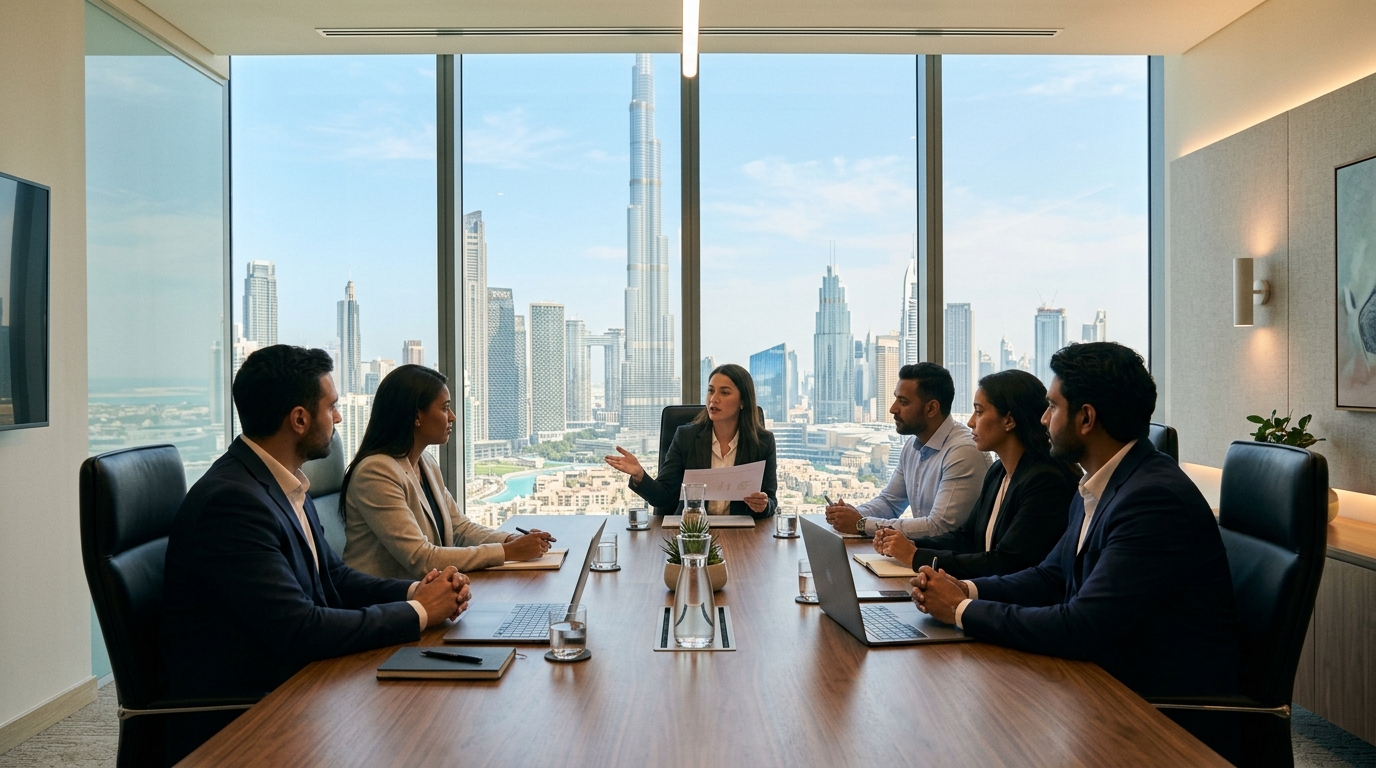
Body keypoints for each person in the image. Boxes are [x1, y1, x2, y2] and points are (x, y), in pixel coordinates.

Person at [910, 342, 1239, 757]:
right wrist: (966, 589)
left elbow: (1083, 626)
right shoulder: (1101, 483)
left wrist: (960, 611)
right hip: (1100, 677)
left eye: (1052, 406)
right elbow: (1051, 575)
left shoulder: (1152, 499)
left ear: (1086, 418)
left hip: (1151, 713)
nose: (1043, 419)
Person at [160, 346, 471, 762]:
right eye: (332, 407)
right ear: (300, 419)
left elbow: (335, 579)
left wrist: (417, 591)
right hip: (256, 709)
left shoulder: (283, 482)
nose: (339, 419)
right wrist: (419, 613)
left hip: (303, 678)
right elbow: (299, 630)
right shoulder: (233, 502)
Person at [342, 364, 553, 578]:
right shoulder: (376, 472)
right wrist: (508, 552)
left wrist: (510, 540)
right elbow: (422, 558)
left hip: (424, 595)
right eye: (444, 408)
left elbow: (459, 529)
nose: (452, 417)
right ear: (416, 415)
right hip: (384, 604)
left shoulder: (426, 462)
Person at [873, 369, 1077, 579]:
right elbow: (966, 538)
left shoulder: (1045, 481)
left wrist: (917, 556)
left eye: (979, 412)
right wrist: (906, 544)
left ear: (1009, 421)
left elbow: (1006, 562)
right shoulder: (999, 471)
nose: (970, 422)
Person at [824, 363, 988, 538]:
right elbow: (890, 503)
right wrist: (849, 515)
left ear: (931, 408)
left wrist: (861, 524)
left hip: (950, 562)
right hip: (924, 556)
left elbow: (939, 527)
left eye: (903, 402)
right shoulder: (912, 445)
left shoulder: (963, 452)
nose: (893, 409)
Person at [605, 363, 776, 518]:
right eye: (710, 390)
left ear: (743, 401)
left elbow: (771, 501)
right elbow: (662, 496)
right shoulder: (686, 437)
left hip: (743, 533)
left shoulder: (762, 442)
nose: (713, 399)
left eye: (724, 392)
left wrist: (764, 505)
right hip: (692, 530)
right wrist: (639, 474)